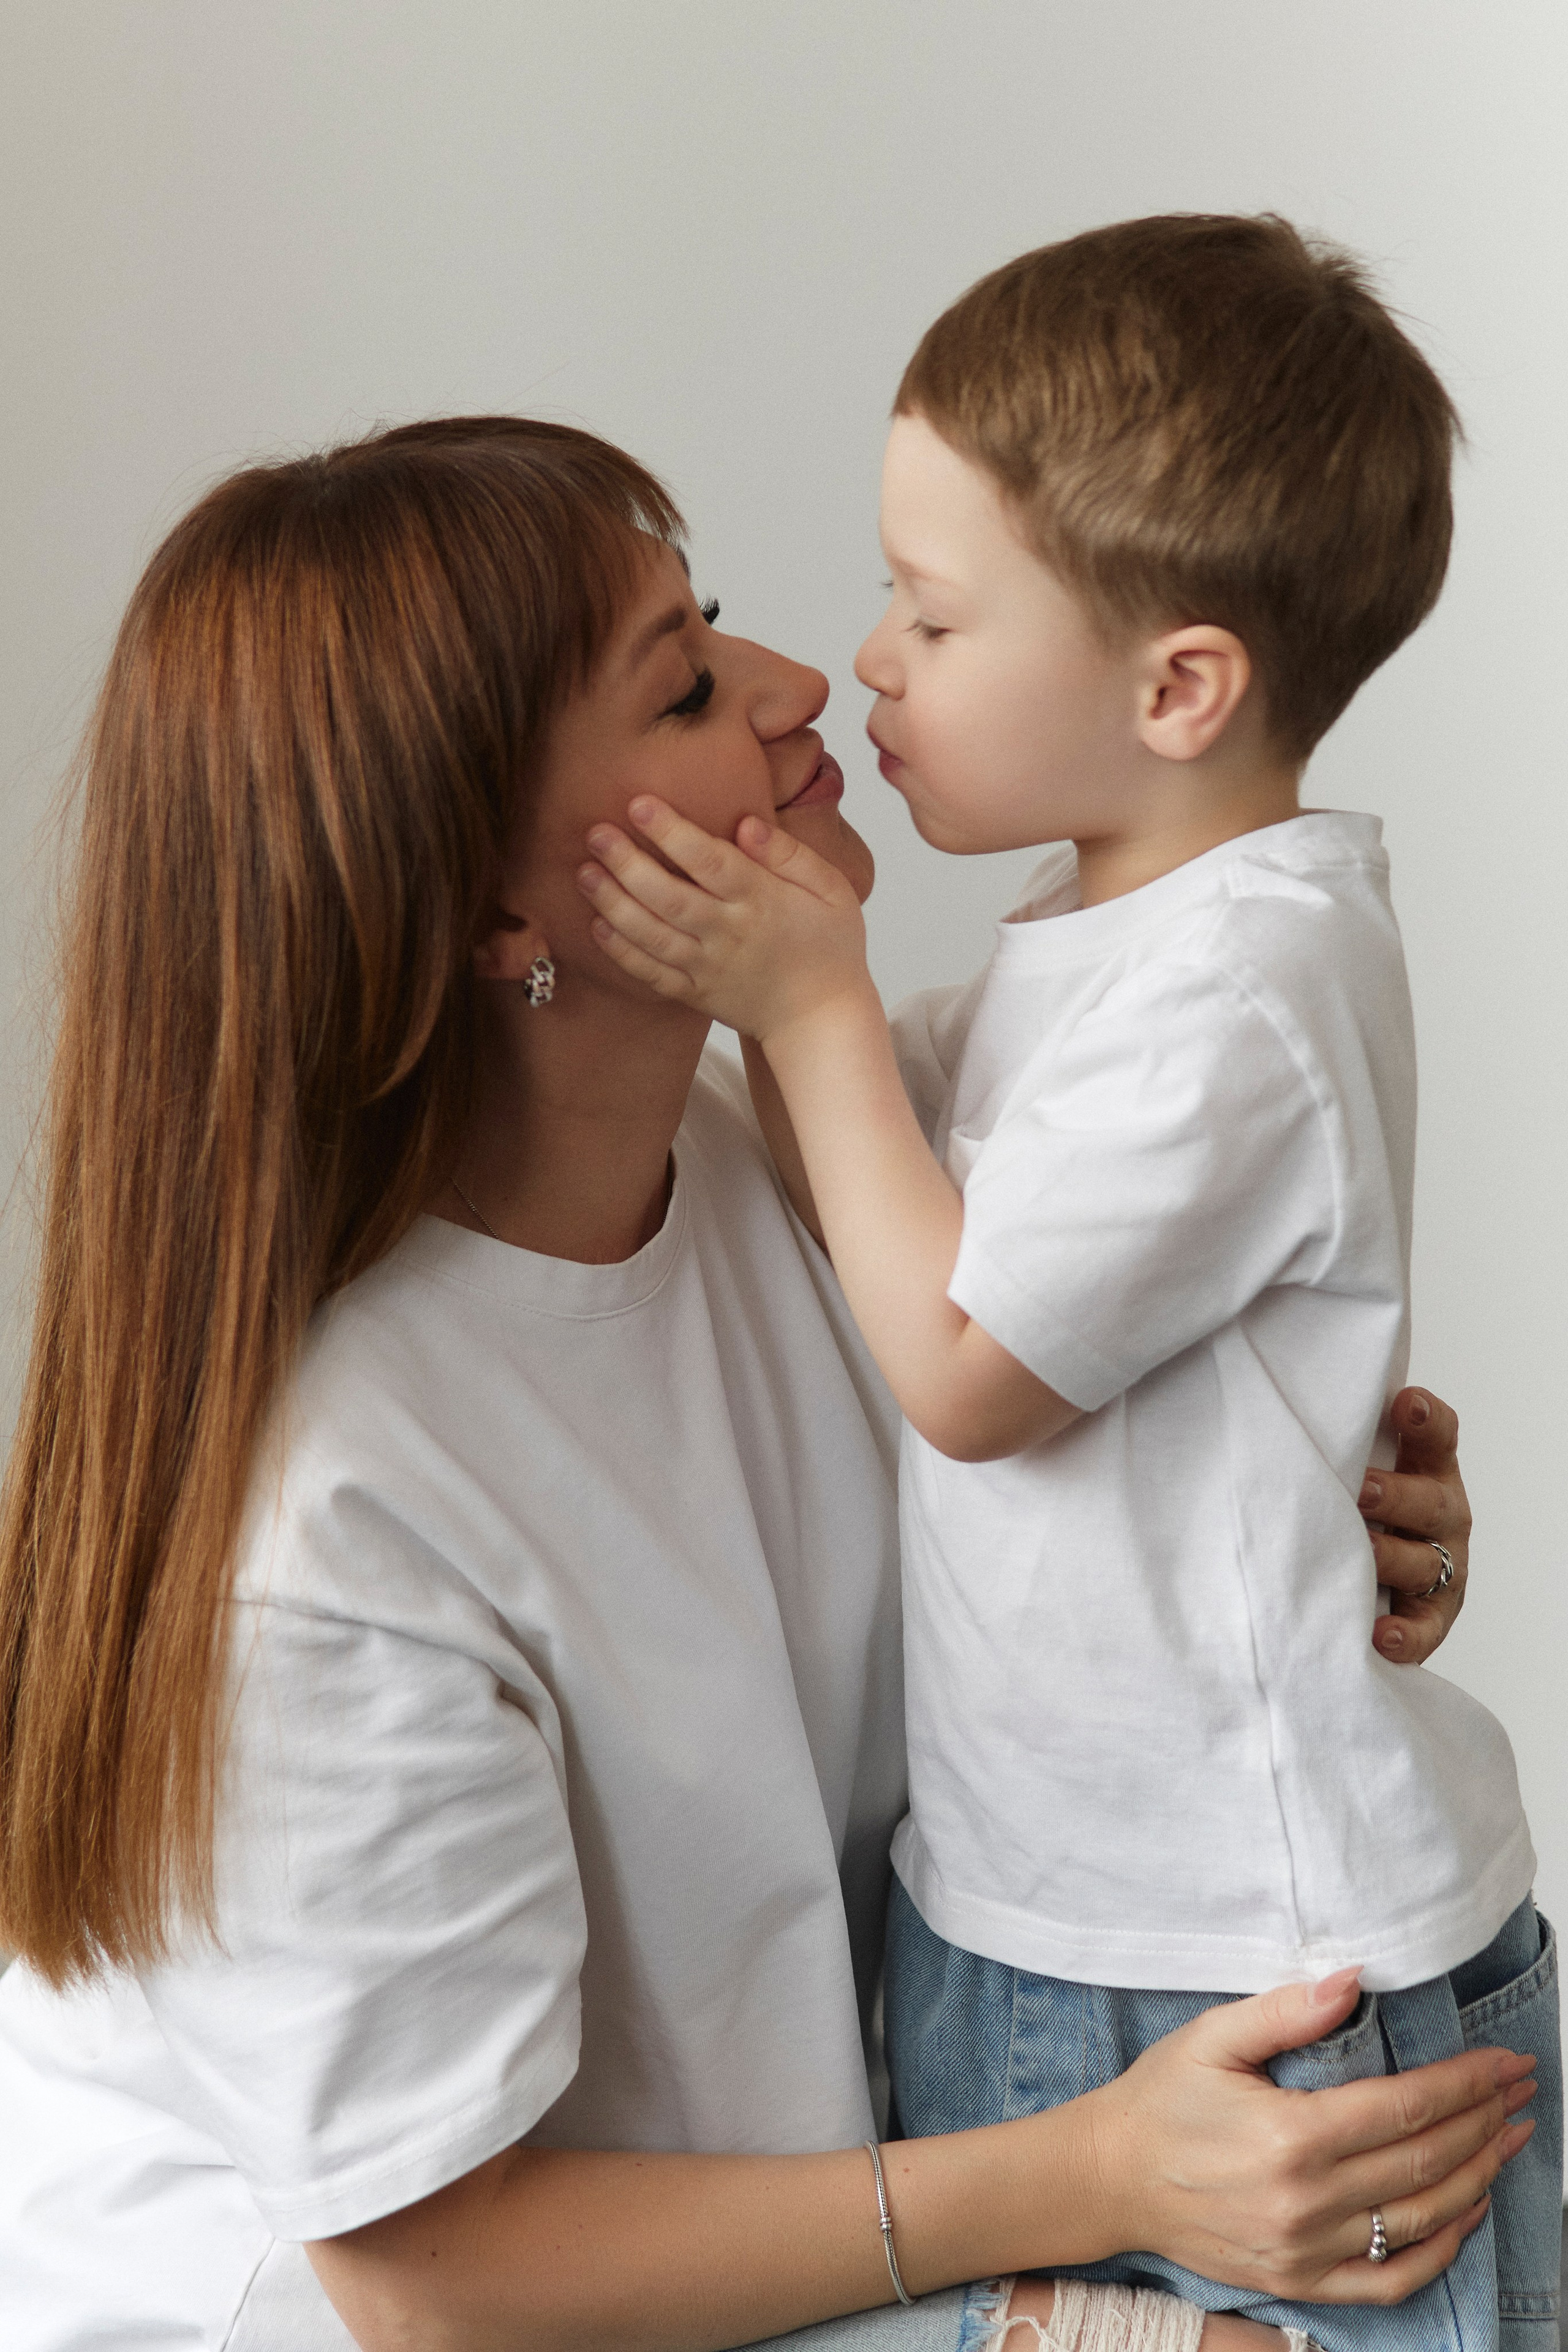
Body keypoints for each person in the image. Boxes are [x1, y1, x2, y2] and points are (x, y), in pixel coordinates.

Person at [0, 418, 1521, 2352]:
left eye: (712, 620)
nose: (808, 682)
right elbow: (429, 2275)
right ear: (492, 917)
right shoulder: (325, 1524)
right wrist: (1103, 2188)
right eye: (689, 685)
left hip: (805, 2197)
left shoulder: (761, 1168)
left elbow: (1024, 1455)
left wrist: (1298, 1522)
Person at [576, 217, 1562, 2350]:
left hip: (1245, 1969)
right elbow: (896, 1189)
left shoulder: (1246, 980)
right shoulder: (1108, 932)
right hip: (1045, 1912)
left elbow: (958, 1359)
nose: (869, 660)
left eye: (933, 612)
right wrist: (793, 984)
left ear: (1177, 686)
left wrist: (807, 1003)